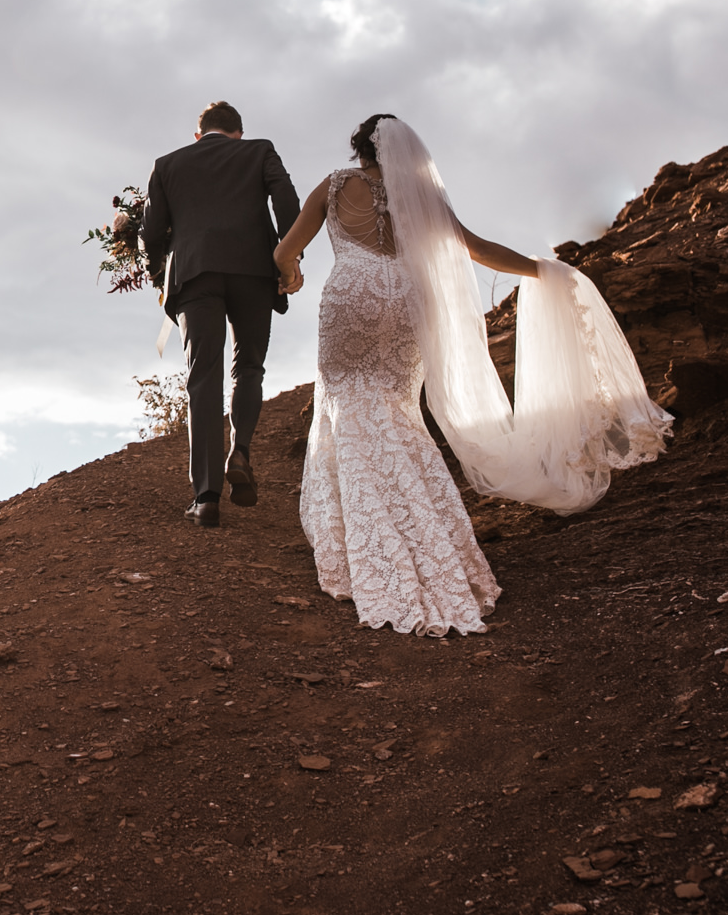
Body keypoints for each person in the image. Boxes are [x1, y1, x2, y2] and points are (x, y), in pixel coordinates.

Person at [272, 115, 670, 635]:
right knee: (397, 412)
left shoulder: (335, 184)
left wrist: (291, 274)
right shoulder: (423, 197)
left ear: (358, 149)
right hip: (411, 303)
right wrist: (543, 271)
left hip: (352, 298)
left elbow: (284, 251)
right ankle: (429, 537)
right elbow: (478, 250)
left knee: (350, 402)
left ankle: (362, 535)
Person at [136, 101, 300, 529]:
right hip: (253, 272)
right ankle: (240, 451)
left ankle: (206, 497)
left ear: (198, 135)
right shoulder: (260, 152)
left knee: (203, 376)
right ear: (239, 134)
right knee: (249, 367)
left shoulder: (167, 165)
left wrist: (161, 275)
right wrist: (290, 257)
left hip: (196, 277)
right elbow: (286, 200)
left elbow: (152, 234)